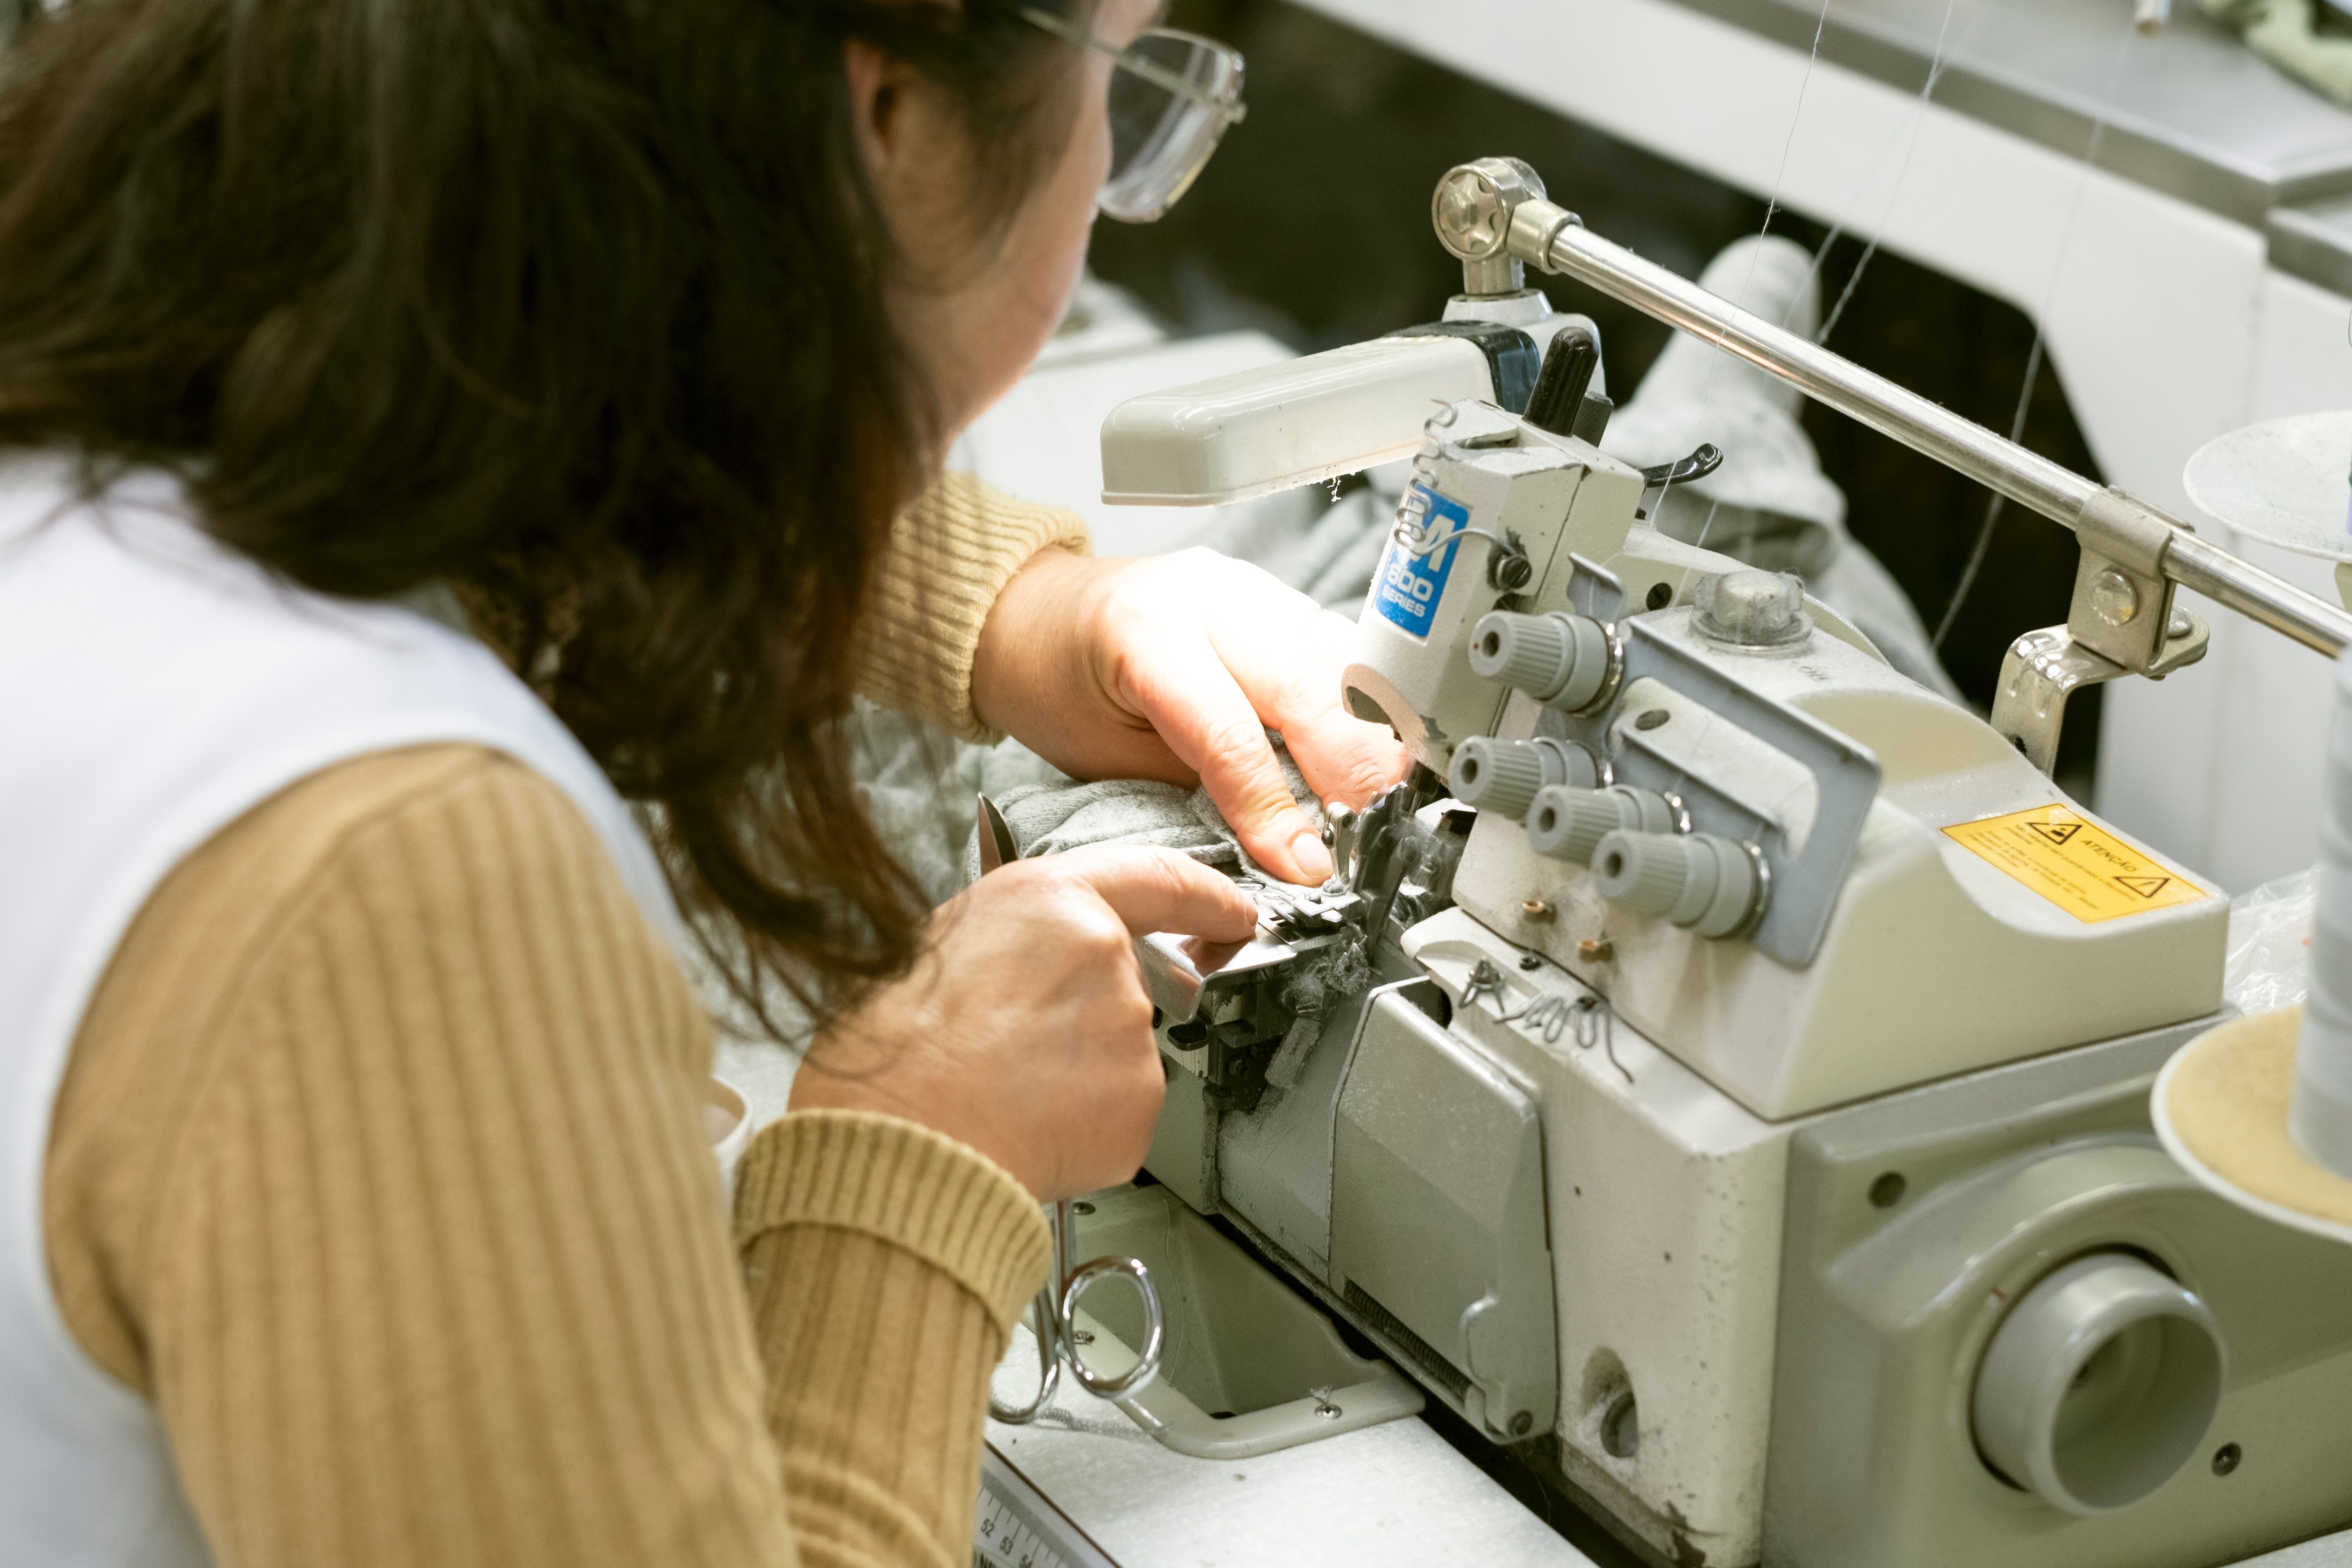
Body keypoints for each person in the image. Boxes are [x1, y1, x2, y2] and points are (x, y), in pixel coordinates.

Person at [0, 2, 1404, 1565]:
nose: (1110, 176)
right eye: (1128, 89)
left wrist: (1018, 612)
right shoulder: (398, 881)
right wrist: (921, 1150)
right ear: (887, 122)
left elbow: (499, 424)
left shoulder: (98, 370)